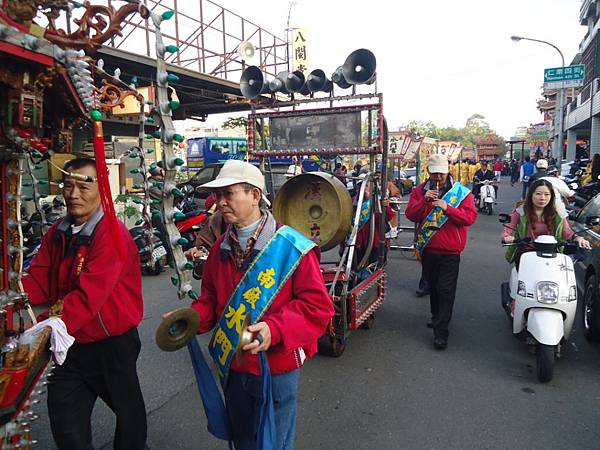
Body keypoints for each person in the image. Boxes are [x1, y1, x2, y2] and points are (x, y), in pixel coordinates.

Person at [190, 159, 334, 450]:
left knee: (274, 443)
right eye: (218, 196)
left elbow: (318, 307)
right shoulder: (220, 247)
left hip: (276, 368)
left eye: (228, 194)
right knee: (242, 439)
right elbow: (210, 300)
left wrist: (275, 329)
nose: (220, 203)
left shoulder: (292, 247)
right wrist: (190, 319)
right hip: (235, 365)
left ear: (255, 195)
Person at [22, 158, 147, 450]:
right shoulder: (58, 231)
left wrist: (40, 328)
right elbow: (39, 278)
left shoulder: (112, 234)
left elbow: (89, 295)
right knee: (66, 424)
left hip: (111, 344)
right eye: (68, 185)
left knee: (129, 417)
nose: (74, 194)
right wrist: (13, 299)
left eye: (83, 186)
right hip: (68, 345)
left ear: (101, 188)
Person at [405, 154, 477, 350]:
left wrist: (448, 209)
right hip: (428, 248)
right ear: (428, 172)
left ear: (447, 171)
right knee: (434, 288)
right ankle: (437, 317)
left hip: (451, 250)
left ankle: (441, 332)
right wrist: (424, 202)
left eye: (441, 173)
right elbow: (410, 215)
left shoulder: (460, 192)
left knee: (445, 290)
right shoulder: (420, 191)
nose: (438, 177)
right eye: (434, 173)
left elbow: (470, 218)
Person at [502, 179, 591, 273]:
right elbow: (508, 228)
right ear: (531, 195)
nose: (542, 198)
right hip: (526, 252)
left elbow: (567, 231)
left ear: (551, 196)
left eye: (547, 194)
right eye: (538, 194)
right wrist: (507, 237)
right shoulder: (521, 210)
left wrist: (578, 238)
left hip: (552, 254)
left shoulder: (558, 212)